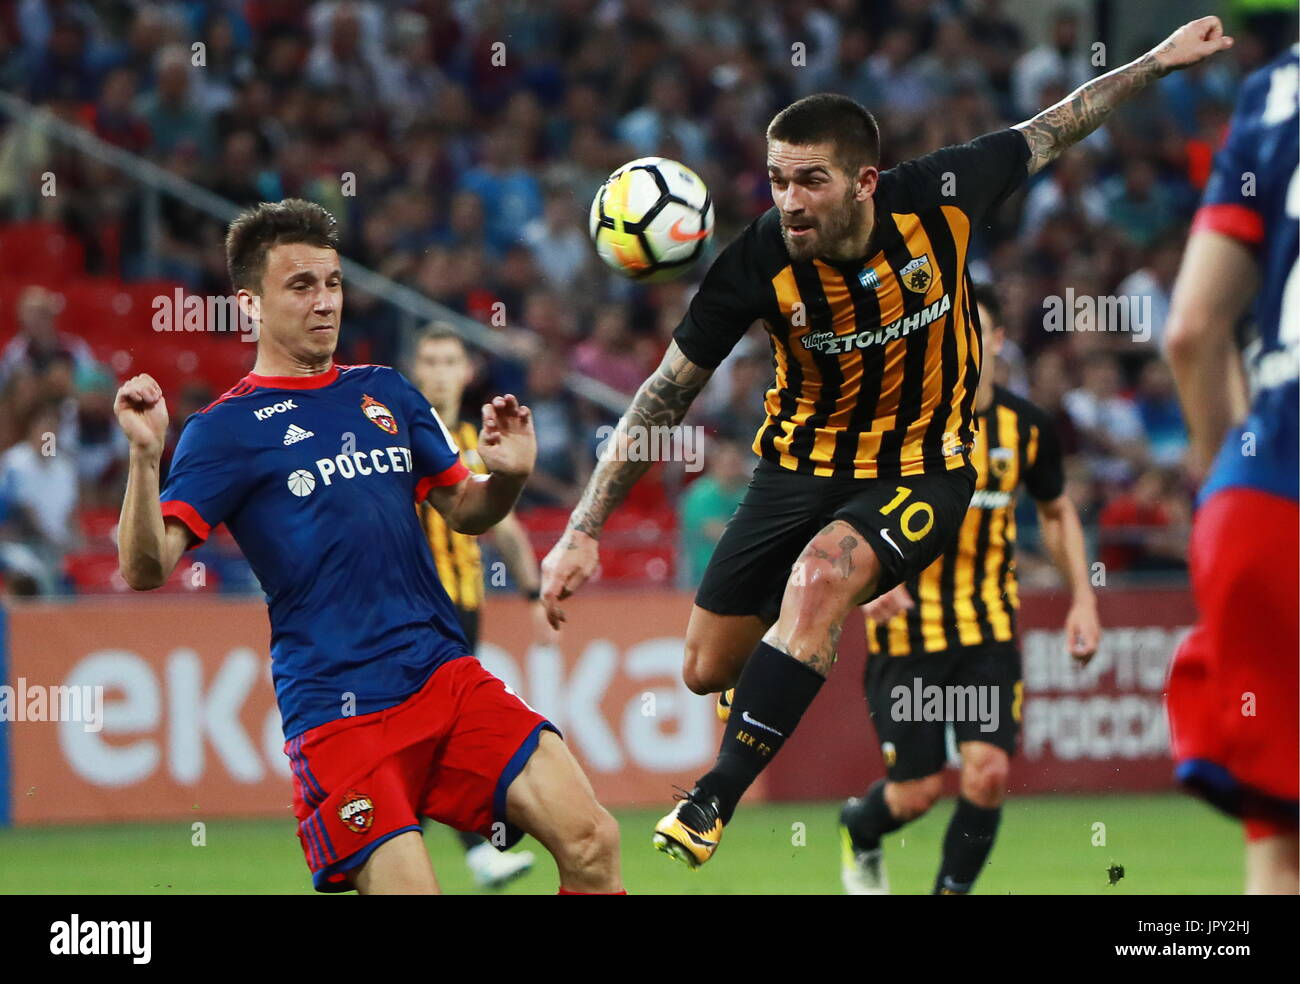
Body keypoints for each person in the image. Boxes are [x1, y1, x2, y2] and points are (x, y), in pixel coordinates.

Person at [540, 16, 1234, 869]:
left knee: (825, 574)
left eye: (809, 181)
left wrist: (1159, 60)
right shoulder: (755, 264)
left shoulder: (943, 193)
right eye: (776, 180)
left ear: (865, 181)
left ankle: (712, 797)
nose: (788, 200)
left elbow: (1064, 118)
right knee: (702, 668)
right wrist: (583, 527)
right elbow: (662, 396)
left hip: (925, 466)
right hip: (798, 466)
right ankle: (767, 686)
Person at [115, 199, 622, 895]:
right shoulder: (223, 430)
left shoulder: (384, 392)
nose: (324, 303)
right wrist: (145, 461)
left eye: (332, 283)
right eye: (300, 286)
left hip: (443, 674)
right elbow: (145, 568)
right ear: (250, 305)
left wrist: (507, 477)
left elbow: (468, 511)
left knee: (594, 840)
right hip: (339, 710)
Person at [840, 284, 1100, 894]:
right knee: (916, 794)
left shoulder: (1027, 426)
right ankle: (861, 826)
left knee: (986, 773)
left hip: (988, 631)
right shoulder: (899, 422)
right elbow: (842, 512)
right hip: (907, 635)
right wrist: (862, 586)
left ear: (999, 339)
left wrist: (1083, 599)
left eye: (975, 328)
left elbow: (1058, 513)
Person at [1163, 43, 1299, 894]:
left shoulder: (1277, 90)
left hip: (1266, 493)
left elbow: (1190, 333)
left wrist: (1224, 480)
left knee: (1280, 845)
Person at [409, 323, 559, 889]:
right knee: (442, 728)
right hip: (418, 611)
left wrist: (532, 597)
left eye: (452, 360)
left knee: (429, 734)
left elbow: (509, 529)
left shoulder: (475, 437)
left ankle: (387, 851)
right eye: (432, 360)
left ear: (466, 372)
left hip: (466, 608)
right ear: (417, 371)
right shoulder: (397, 436)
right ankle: (481, 846)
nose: (442, 370)